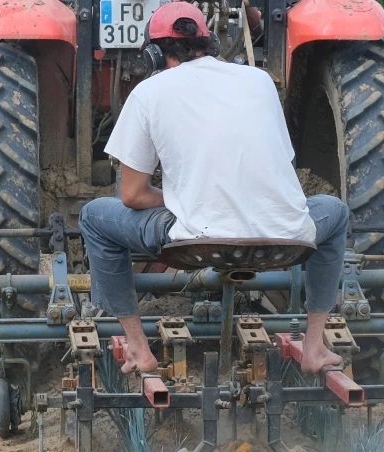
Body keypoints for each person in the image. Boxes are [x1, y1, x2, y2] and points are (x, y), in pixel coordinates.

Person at [79, 1, 349, 376]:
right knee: (336, 211)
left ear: (153, 54)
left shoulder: (148, 92)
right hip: (287, 241)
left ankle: (138, 348)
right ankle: (315, 345)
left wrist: (181, 198)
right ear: (211, 43)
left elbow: (132, 195)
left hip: (195, 243)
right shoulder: (259, 81)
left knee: (94, 217)